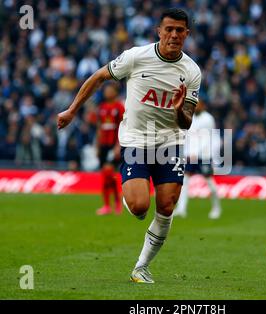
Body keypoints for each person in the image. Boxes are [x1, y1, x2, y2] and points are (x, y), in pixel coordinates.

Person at [57, 8, 201, 284]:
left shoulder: (191, 71)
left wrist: (181, 109)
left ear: (187, 34)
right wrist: (72, 110)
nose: (173, 35)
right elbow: (99, 77)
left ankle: (141, 267)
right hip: (136, 140)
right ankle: (130, 193)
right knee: (138, 207)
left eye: (179, 30)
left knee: (167, 206)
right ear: (159, 31)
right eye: (168, 29)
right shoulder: (136, 57)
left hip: (170, 142)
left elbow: (186, 124)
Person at [174, 100, 221, 219]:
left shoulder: (208, 119)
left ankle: (216, 208)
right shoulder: (191, 117)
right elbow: (188, 136)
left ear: (203, 105)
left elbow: (207, 138)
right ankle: (181, 209)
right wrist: (186, 152)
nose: (195, 106)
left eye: (198, 104)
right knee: (184, 182)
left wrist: (198, 153)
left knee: (210, 182)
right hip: (191, 155)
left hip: (204, 155)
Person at [96, 82, 125, 215]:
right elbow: (99, 127)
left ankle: (116, 204)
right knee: (106, 175)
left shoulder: (119, 107)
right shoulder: (101, 107)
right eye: (105, 90)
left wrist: (118, 145)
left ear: (115, 92)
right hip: (103, 145)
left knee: (109, 173)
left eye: (109, 90)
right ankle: (107, 205)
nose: (107, 92)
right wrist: (97, 145)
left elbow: (123, 126)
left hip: (114, 144)